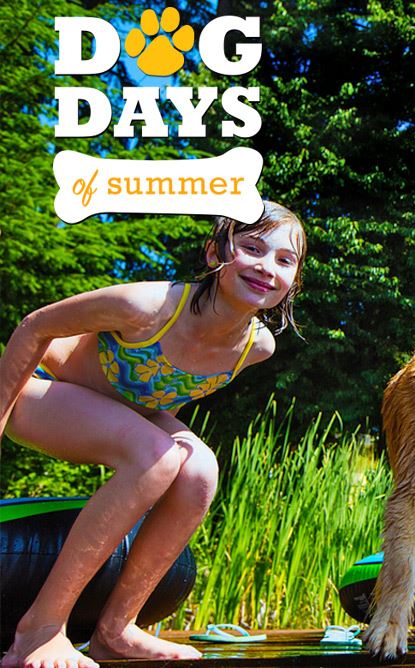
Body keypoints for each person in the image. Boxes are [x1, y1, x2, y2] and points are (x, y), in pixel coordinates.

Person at [0, 202, 306, 668]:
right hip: (39, 386)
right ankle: (39, 629)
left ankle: (116, 630)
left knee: (200, 470)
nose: (267, 267)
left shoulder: (256, 346)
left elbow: (166, 391)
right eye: (252, 248)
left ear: (294, 280)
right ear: (215, 253)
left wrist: (143, 482)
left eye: (285, 260)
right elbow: (34, 326)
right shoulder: (147, 306)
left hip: (111, 408)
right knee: (155, 455)